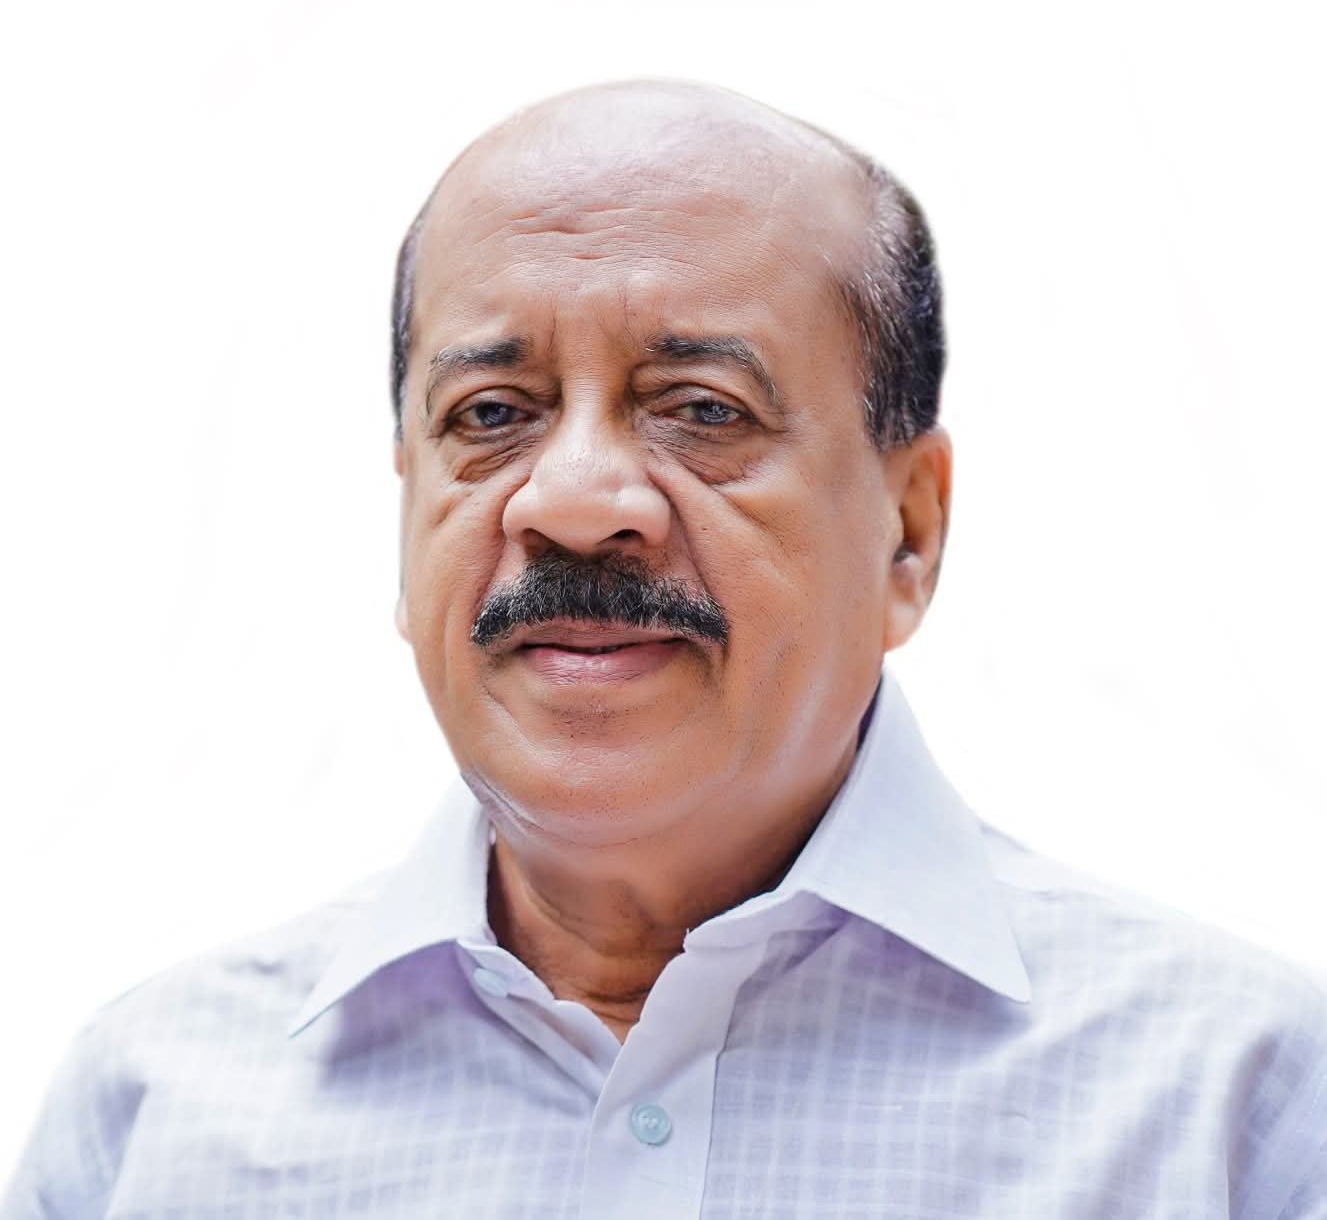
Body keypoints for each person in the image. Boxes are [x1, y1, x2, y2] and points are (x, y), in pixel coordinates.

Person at [4, 80, 1324, 1220]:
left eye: (702, 407)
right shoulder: (150, 1123)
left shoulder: (1231, 1110)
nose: (573, 500)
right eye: (492, 413)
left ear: (909, 534)